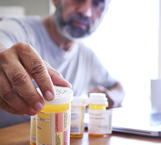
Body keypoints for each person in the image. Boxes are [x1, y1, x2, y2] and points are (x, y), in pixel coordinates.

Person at [0, 0, 124, 128]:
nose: (86, 12)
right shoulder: (17, 29)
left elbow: (118, 88)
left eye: (97, 3)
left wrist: (110, 98)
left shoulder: (87, 56)